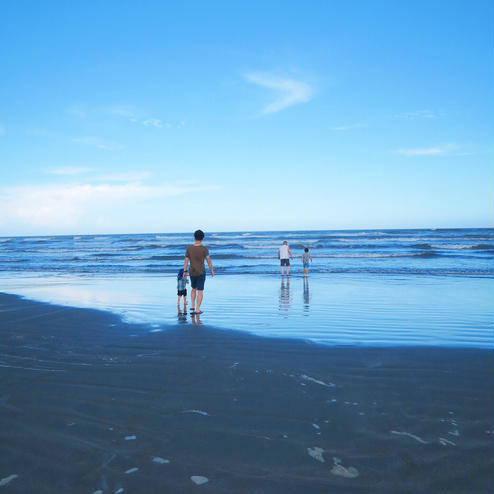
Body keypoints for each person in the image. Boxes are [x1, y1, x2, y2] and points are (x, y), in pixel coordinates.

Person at [183, 229, 214, 314]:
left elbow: (186, 261)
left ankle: (192, 306)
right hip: (201, 271)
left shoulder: (189, 248)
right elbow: (208, 261)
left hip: (192, 272)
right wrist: (211, 270)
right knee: (200, 291)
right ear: (202, 238)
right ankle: (197, 309)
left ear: (194, 237)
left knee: (193, 289)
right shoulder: (204, 249)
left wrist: (184, 271)